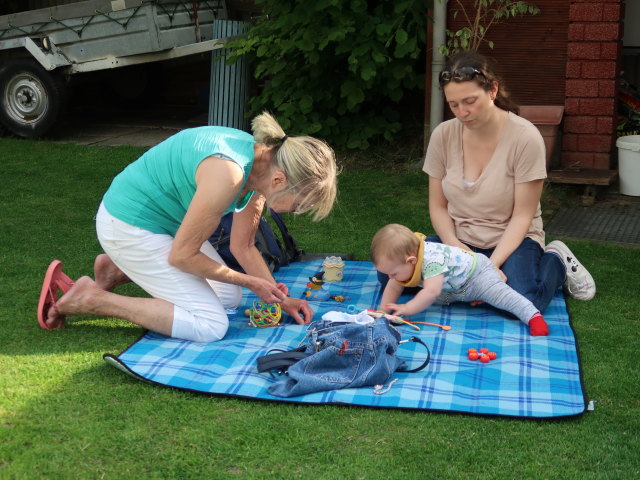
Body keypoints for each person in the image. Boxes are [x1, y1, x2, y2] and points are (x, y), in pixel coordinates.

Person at [37, 112, 338, 342]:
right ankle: (92, 299)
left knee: (230, 298)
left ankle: (118, 270)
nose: (296, 212)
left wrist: (282, 300)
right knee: (211, 325)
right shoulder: (228, 174)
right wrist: (250, 283)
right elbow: (182, 256)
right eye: (299, 204)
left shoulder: (260, 167)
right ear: (280, 181)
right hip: (127, 224)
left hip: (165, 226)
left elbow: (243, 246)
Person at [421, 51, 595, 313]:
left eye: (470, 101)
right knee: (397, 272)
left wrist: (487, 268)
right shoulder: (443, 135)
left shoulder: (525, 137)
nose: (462, 112)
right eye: (453, 104)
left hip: (513, 238)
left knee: (524, 300)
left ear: (493, 90)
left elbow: (522, 217)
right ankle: (476, 287)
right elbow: (438, 207)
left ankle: (557, 260)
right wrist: (461, 253)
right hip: (462, 239)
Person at [371, 224, 548, 336]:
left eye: (393, 273)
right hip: (451, 287)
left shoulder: (432, 260)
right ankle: (472, 299)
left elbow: (431, 292)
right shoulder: (405, 263)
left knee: (502, 296)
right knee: (430, 294)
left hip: (477, 276)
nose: (391, 278)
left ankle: (533, 317)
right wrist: (382, 312)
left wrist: (407, 308)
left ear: (411, 261)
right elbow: (394, 286)